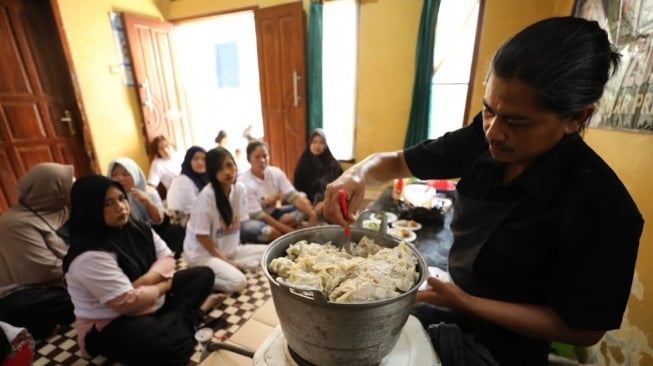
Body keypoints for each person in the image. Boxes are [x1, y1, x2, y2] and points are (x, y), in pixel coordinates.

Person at [323, 17, 643, 366]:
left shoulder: (603, 209)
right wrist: (355, 174)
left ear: (577, 117)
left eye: (517, 121)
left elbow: (583, 330)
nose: (494, 132)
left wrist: (466, 302)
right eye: (488, 110)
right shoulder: (485, 137)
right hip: (456, 306)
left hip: (506, 349)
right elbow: (397, 163)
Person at [62, 175, 217, 365]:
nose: (120, 207)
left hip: (146, 300)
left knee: (203, 275)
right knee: (162, 344)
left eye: (121, 198)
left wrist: (141, 283)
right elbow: (126, 302)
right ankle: (194, 314)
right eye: (107, 204)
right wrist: (165, 286)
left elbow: (168, 258)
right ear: (89, 210)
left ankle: (177, 320)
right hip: (114, 321)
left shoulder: (137, 227)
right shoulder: (88, 256)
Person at [0, 163, 75, 340]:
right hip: (25, 291)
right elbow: (41, 272)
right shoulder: (14, 224)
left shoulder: (62, 209)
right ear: (51, 189)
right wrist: (84, 272)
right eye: (70, 186)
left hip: (66, 278)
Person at [183, 148, 267, 293]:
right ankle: (198, 275)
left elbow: (238, 223)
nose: (227, 172)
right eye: (220, 168)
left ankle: (236, 264)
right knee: (239, 282)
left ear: (235, 165)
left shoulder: (239, 189)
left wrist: (229, 259)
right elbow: (201, 237)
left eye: (229, 165)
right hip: (202, 255)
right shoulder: (207, 197)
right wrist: (227, 262)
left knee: (268, 252)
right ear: (212, 172)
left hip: (228, 250)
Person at [240, 140, 318, 243]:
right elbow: (261, 216)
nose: (262, 160)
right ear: (249, 159)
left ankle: (281, 233)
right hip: (252, 219)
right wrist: (290, 232)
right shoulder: (244, 182)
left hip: (272, 213)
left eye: (265, 156)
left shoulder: (276, 172)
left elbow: (293, 196)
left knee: (305, 203)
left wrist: (312, 215)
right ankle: (283, 234)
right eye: (257, 157)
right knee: (269, 232)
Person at [108, 157, 184, 256]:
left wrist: (147, 202)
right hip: (128, 235)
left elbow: (160, 221)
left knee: (175, 232)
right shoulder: (110, 199)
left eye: (125, 174)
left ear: (135, 174)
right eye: (114, 175)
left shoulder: (150, 192)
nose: (119, 179)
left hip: (151, 231)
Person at [293, 128, 343, 213]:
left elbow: (340, 190)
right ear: (309, 144)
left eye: (321, 143)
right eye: (314, 142)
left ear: (325, 145)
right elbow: (297, 187)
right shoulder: (303, 163)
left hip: (328, 203)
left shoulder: (334, 165)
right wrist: (304, 202)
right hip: (306, 204)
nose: (317, 146)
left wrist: (324, 202)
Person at [166, 146, 208, 227]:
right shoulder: (182, 181)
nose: (200, 162)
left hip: (202, 221)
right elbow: (193, 210)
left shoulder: (205, 178)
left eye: (204, 159)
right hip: (185, 226)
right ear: (188, 161)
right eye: (195, 159)